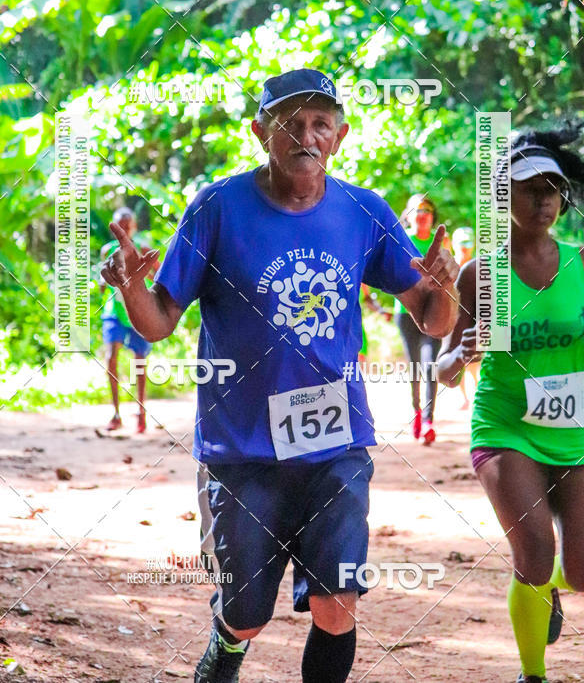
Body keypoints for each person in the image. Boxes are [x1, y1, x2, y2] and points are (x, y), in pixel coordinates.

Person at [101, 68, 460, 683]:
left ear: (340, 136)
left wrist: (445, 286)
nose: (306, 135)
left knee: (337, 600)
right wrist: (133, 286)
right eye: (290, 122)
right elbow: (159, 320)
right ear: (259, 130)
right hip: (241, 447)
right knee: (246, 614)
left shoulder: (361, 211)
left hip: (336, 441)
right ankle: (227, 648)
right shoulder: (217, 208)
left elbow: (430, 317)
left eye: (320, 123)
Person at [437, 124, 584, 683]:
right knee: (536, 555)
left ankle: (548, 592)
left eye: (553, 187)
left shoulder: (582, 263)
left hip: (576, 430)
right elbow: (446, 369)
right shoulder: (486, 274)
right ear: (505, 195)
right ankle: (533, 674)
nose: (544, 198)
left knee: (579, 570)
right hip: (506, 428)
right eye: (529, 187)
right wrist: (461, 356)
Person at [100, 207, 159, 433]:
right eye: (119, 226)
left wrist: (141, 274)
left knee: (139, 361)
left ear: (133, 227)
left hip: (137, 312)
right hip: (114, 311)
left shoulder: (143, 249)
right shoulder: (108, 251)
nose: (123, 229)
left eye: (127, 225)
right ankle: (116, 414)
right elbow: (103, 283)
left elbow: (158, 276)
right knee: (110, 358)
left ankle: (141, 412)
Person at [394, 193, 443, 444]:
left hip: (434, 314)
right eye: (417, 211)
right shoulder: (401, 240)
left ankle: (428, 421)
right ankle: (416, 411)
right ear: (408, 217)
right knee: (415, 368)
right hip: (406, 314)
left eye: (427, 211)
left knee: (430, 366)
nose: (423, 216)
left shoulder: (440, 243)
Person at [451, 227, 479, 409]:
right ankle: (464, 397)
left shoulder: (478, 266)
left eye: (468, 243)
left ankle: (477, 391)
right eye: (462, 243)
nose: (465, 247)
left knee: (475, 361)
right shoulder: (450, 265)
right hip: (454, 319)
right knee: (458, 357)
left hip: (475, 317)